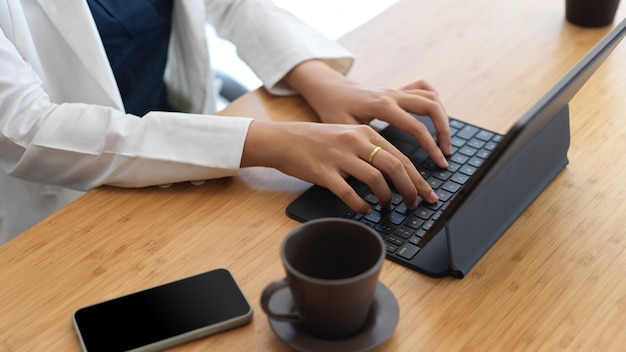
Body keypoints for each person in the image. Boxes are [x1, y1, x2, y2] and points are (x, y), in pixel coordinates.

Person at [0, 0, 451, 240]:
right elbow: (29, 129)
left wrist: (320, 80)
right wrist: (268, 142)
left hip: (186, 167)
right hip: (63, 205)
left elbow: (234, 3)